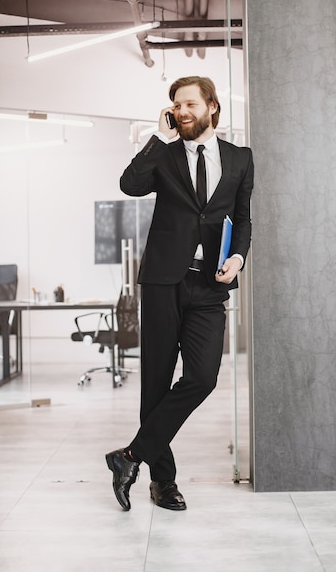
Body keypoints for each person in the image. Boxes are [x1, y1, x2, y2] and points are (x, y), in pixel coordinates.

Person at [105, 75, 254, 511]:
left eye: (190, 103)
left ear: (212, 106)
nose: (182, 111)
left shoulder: (240, 159)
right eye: (176, 105)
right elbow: (129, 185)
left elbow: (242, 219)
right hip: (162, 282)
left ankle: (129, 457)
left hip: (210, 285)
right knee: (155, 384)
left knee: (202, 377)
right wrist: (155, 137)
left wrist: (239, 257)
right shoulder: (165, 156)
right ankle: (162, 483)